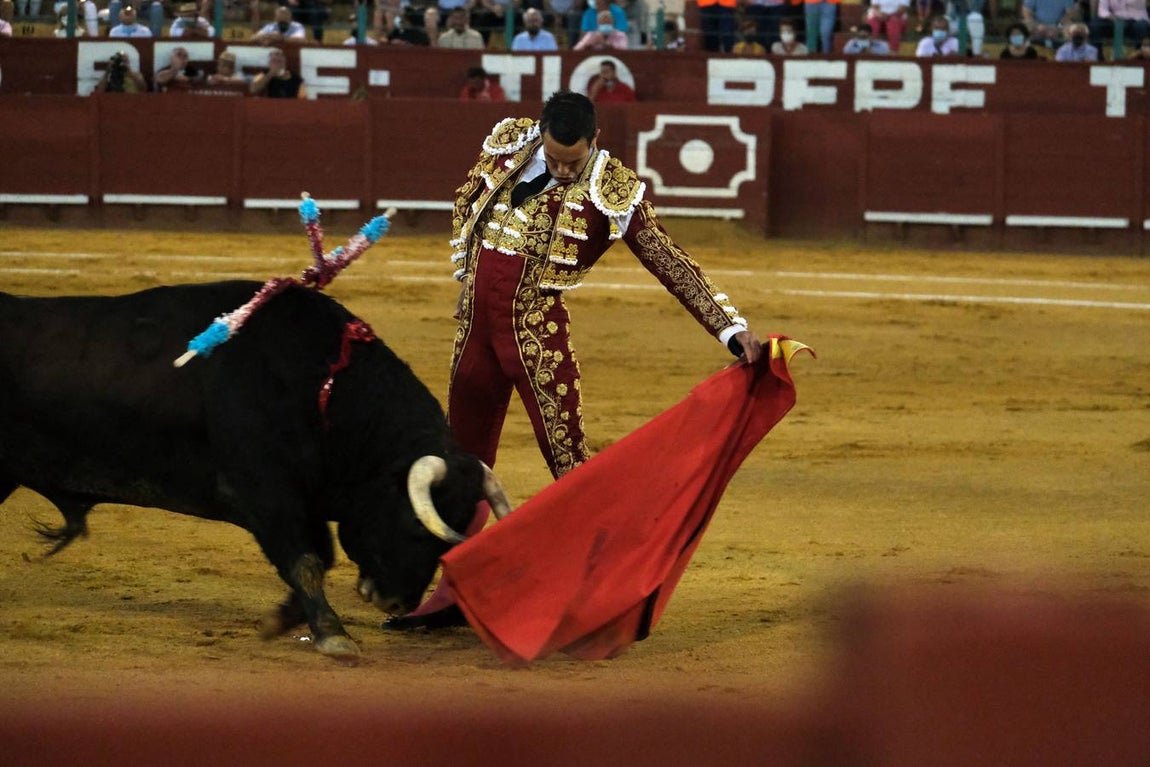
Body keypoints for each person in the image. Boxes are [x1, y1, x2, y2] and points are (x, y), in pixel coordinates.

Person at [379, 90, 765, 632]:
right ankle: (454, 594)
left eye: (573, 161)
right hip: (474, 333)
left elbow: (668, 260)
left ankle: (598, 595)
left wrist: (730, 328)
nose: (562, 170)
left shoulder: (612, 190)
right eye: (555, 158)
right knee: (462, 461)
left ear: (595, 141)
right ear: (539, 131)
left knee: (570, 467)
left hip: (536, 336)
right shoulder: (511, 144)